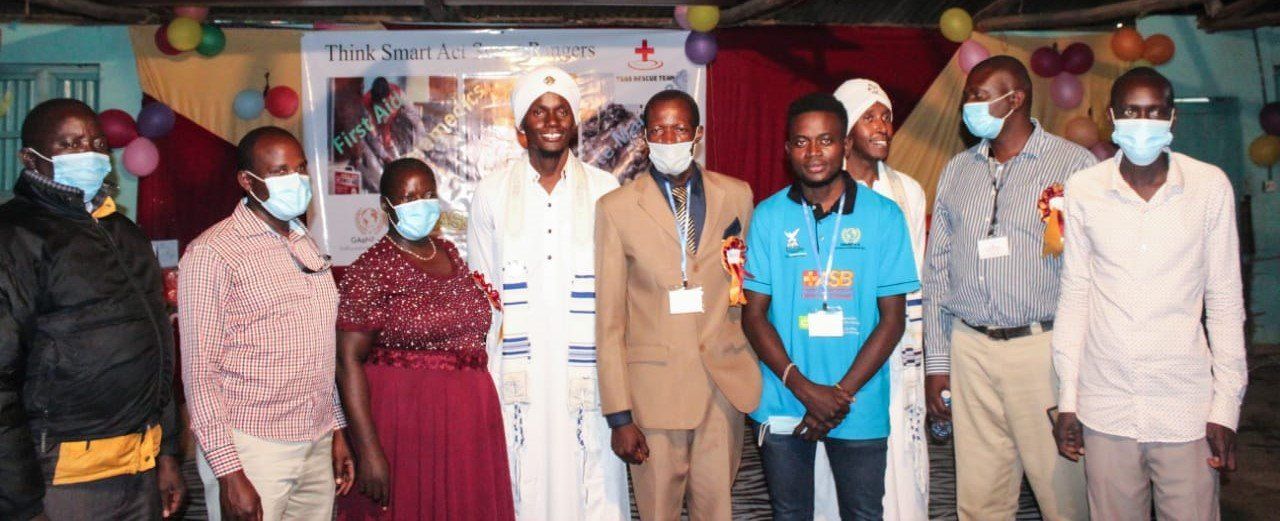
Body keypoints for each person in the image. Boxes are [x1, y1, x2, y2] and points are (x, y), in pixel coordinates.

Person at [1052, 67, 1248, 521]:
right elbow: (1076, 296)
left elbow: (1224, 302)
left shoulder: (1208, 187)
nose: (1143, 122)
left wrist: (1226, 406)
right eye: (1131, 111)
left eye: (1154, 111)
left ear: (1173, 118)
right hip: (1106, 408)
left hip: (1184, 409)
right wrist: (1069, 400)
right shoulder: (1084, 190)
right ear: (1111, 118)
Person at [922, 55, 1093, 521]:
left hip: (1042, 350)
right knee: (980, 500)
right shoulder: (958, 170)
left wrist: (1080, 372)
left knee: (1063, 496)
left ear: (1014, 99)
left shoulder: (1072, 166)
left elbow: (1089, 272)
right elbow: (936, 272)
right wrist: (938, 364)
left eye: (979, 96)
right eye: (968, 97)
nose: (968, 106)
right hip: (970, 348)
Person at [0, 98, 184, 520]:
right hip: (59, 479)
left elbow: (158, 350)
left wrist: (168, 451)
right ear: (31, 158)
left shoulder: (125, 233)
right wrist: (20, 502)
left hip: (139, 467)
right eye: (70, 144)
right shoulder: (15, 236)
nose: (90, 152)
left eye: (97, 142)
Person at [742, 92, 919, 520]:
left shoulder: (885, 216)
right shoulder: (768, 217)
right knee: (790, 515)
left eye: (826, 140)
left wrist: (838, 397)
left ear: (845, 145)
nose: (814, 152)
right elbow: (753, 314)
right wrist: (805, 390)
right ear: (787, 150)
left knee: (863, 514)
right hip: (784, 400)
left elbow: (892, 320)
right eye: (801, 142)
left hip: (857, 401)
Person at [467, 66, 629, 520]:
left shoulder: (605, 189)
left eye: (562, 111)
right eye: (540, 111)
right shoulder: (492, 192)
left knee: (594, 475)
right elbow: (483, 291)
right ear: (522, 127)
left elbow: (619, 291)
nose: (552, 120)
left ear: (575, 123)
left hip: (588, 369)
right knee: (522, 473)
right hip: (520, 368)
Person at [595, 90, 762, 520]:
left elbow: (743, 290)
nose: (669, 138)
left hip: (720, 388)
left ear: (698, 134)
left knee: (718, 511)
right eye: (658, 130)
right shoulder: (616, 209)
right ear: (645, 138)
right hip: (653, 397)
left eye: (680, 129)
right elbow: (611, 321)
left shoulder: (738, 196)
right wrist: (619, 416)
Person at [179, 126, 355, 521]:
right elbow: (199, 373)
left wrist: (337, 428)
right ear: (247, 181)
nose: (296, 180)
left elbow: (319, 348)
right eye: (280, 172)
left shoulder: (303, 242)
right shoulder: (213, 253)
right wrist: (229, 474)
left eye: (300, 168)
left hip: (315, 440)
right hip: (252, 448)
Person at [335, 158, 514, 520]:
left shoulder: (450, 254)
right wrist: (368, 450)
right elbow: (346, 361)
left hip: (467, 419)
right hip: (404, 423)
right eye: (408, 197)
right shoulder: (370, 269)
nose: (421, 203)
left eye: (428, 194)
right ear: (386, 206)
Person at [816, 78, 930, 520]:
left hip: (896, 349)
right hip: (836, 351)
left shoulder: (908, 192)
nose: (882, 126)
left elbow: (915, 282)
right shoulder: (819, 191)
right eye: (870, 116)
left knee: (899, 456)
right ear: (845, 132)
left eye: (886, 116)